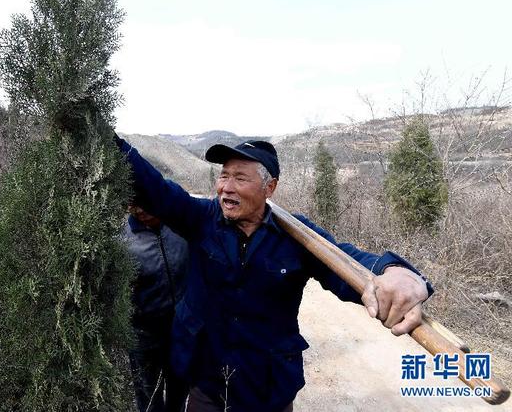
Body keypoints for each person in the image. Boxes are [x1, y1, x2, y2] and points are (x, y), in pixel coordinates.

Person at [115, 135, 433, 412]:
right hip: (207, 385)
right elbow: (151, 186)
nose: (226, 187)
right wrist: (102, 132)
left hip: (267, 391)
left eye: (240, 178)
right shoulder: (200, 219)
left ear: (270, 187)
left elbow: (348, 263)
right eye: (223, 176)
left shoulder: (296, 236)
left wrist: (397, 272)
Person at [124, 204, 189, 412]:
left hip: (182, 333)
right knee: (149, 403)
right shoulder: (121, 239)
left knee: (178, 398)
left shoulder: (181, 226)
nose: (138, 208)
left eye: (144, 200)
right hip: (144, 337)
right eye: (132, 202)